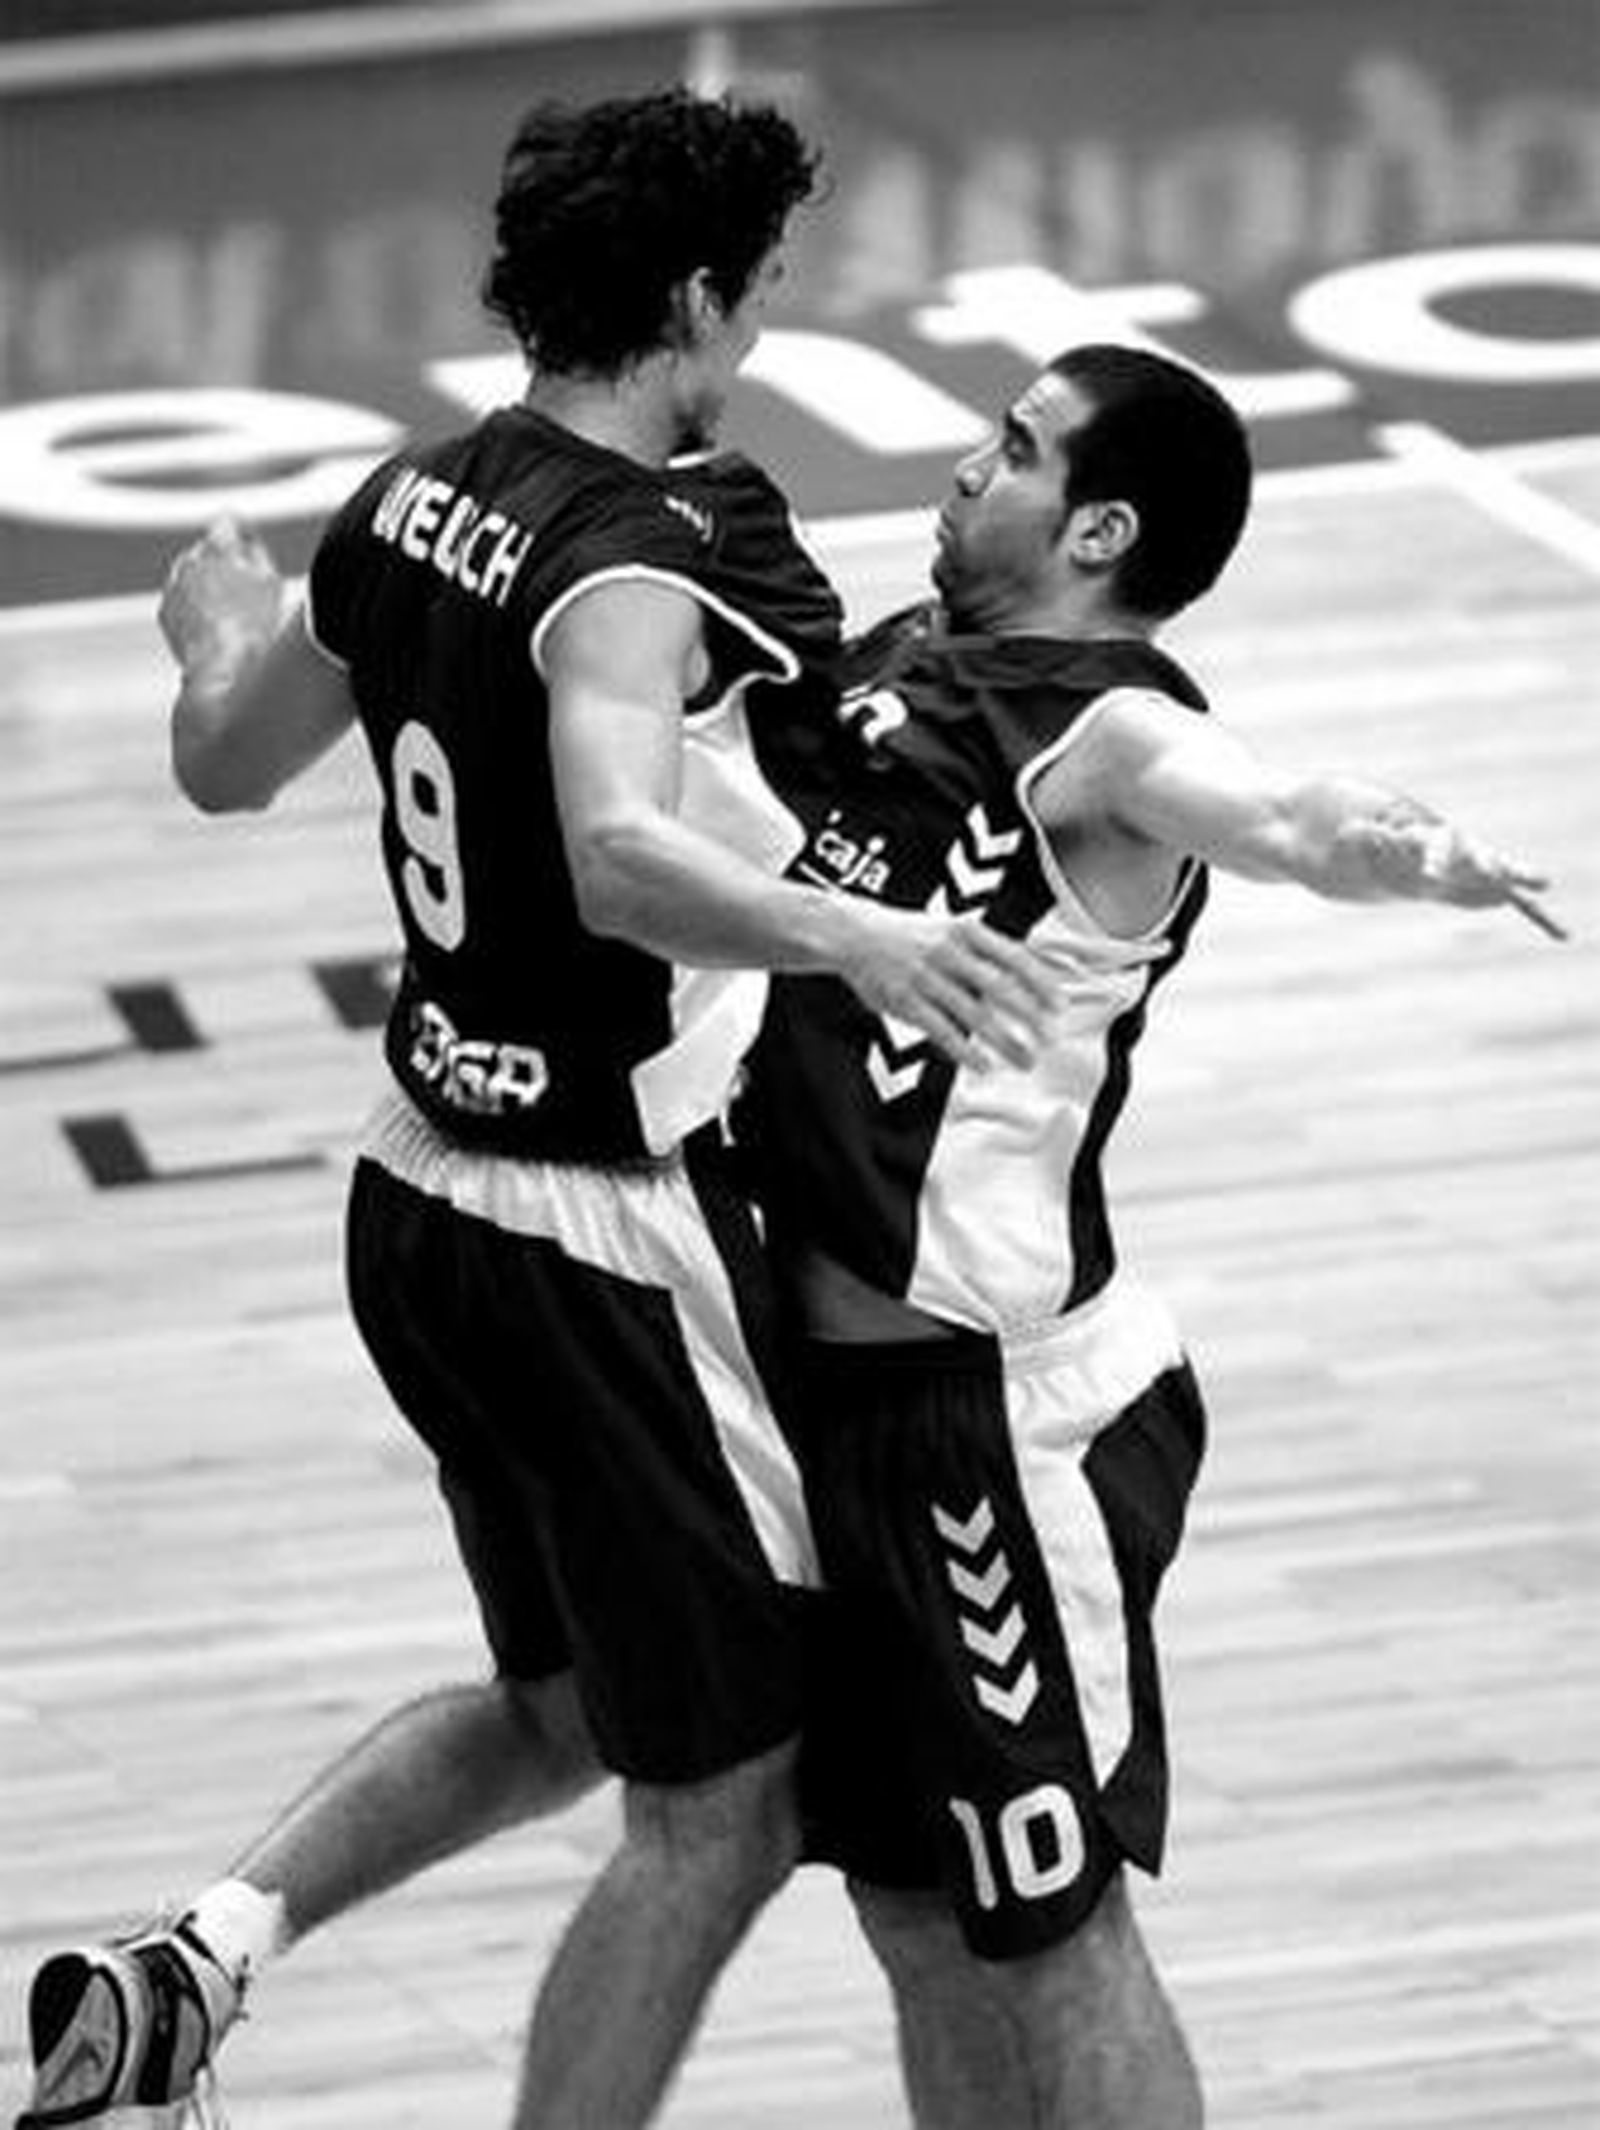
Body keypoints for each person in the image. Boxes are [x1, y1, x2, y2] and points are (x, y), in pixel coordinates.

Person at [13, 88, 1057, 2130]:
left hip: (414, 1210)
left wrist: (220, 622)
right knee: (724, 1809)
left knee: (567, 1709)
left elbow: (226, 760)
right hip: (589, 1234)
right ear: (687, 296)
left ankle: (202, 1954)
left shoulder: (409, 498)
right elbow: (610, 849)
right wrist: (847, 939)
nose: (755, 334)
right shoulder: (628, 557)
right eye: (752, 297)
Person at [733, 341, 1561, 2129]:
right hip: (830, 1407)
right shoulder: (901, 665)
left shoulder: (1110, 733)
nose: (968, 465)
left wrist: (1402, 847)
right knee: (915, 1910)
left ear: (1096, 524)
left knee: (1057, 1926)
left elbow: (1273, 811)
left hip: (995, 1427)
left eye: (1012, 447)